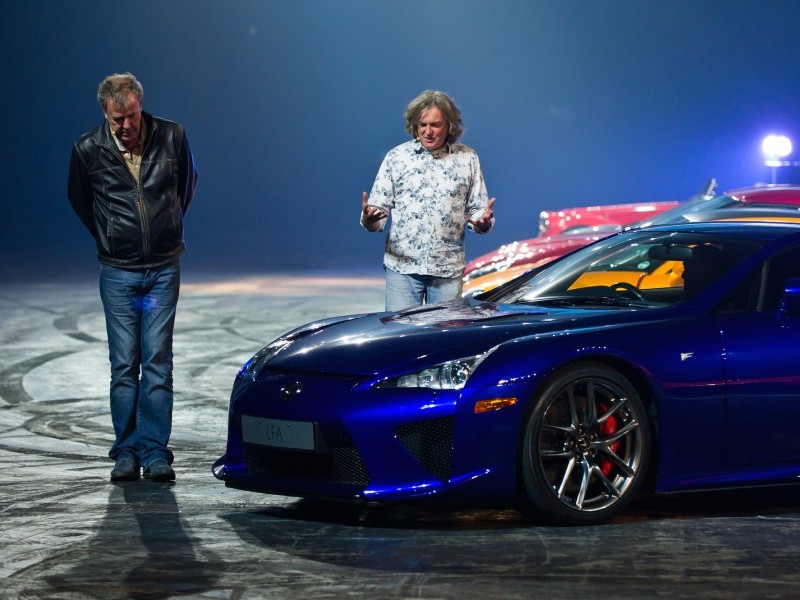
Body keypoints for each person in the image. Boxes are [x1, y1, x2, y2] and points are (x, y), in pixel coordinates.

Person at [68, 73, 198, 482]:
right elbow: (81, 201)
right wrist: (112, 238)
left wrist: (166, 230)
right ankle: (126, 451)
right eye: (117, 120)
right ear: (105, 115)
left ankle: (155, 451)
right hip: (118, 274)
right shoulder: (87, 149)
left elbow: (186, 187)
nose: (126, 126)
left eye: (132, 116)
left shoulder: (173, 136)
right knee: (124, 364)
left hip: (161, 272)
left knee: (158, 362)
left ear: (141, 106)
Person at [361, 90, 495, 311]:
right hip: (403, 268)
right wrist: (368, 220)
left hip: (446, 270)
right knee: (400, 339)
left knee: (444, 342)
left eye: (435, 125)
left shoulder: (467, 158)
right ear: (415, 125)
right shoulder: (397, 158)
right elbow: (375, 219)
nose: (428, 131)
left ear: (449, 126)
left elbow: (479, 212)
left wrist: (483, 224)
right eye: (423, 125)